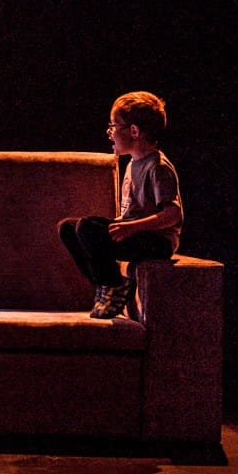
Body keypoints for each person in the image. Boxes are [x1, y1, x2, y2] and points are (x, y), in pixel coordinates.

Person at [58, 91, 183, 319]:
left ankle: (114, 285)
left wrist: (132, 227)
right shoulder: (133, 164)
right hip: (138, 233)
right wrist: (122, 224)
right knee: (68, 227)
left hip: (157, 241)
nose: (109, 132)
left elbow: (173, 214)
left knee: (86, 227)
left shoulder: (158, 167)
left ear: (134, 131)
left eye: (114, 125)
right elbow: (132, 211)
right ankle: (107, 283)